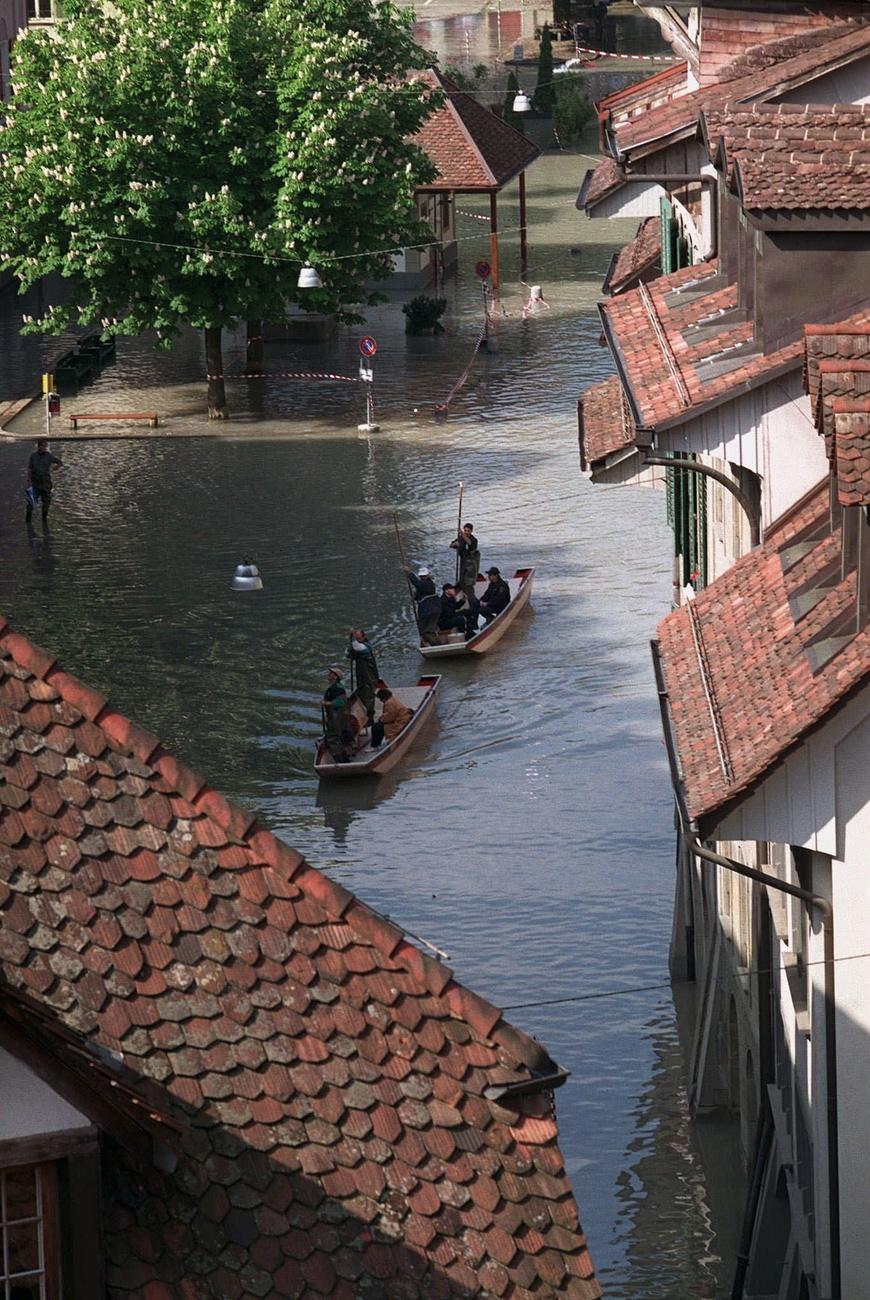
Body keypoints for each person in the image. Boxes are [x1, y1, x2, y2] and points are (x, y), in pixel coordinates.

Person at [26, 439, 62, 526]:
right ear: (39, 447)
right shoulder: (33, 456)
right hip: (35, 483)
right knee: (30, 505)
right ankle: (28, 522)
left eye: (46, 446)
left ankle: (44, 521)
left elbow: (59, 462)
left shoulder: (48, 456)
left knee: (46, 504)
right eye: (44, 446)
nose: (45, 448)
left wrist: (57, 467)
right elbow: (30, 469)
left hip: (46, 483)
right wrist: (29, 480)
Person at [346, 629, 379, 724]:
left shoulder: (366, 647)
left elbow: (357, 647)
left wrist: (352, 639)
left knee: (368, 694)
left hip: (369, 677)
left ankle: (370, 718)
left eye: (358, 637)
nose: (357, 639)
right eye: (356, 637)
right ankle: (363, 715)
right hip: (361, 677)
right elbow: (347, 654)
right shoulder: (356, 647)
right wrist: (350, 649)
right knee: (361, 693)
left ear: (363, 637)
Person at [403, 565, 442, 647]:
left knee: (426, 631)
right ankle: (434, 641)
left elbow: (417, 584)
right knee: (430, 628)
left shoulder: (428, 583)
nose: (423, 577)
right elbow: (420, 593)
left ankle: (436, 645)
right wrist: (415, 597)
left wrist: (409, 573)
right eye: (422, 576)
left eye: (424, 576)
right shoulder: (425, 585)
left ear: (428, 575)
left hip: (429, 610)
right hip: (433, 608)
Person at [322, 666, 353, 762]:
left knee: (332, 737)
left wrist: (328, 703)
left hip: (337, 716)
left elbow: (341, 702)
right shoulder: (333, 687)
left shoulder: (338, 688)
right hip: (334, 715)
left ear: (335, 677)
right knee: (336, 735)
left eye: (331, 673)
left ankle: (341, 760)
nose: (328, 675)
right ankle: (344, 757)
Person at [450, 522, 481, 606]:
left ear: (471, 531)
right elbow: (451, 545)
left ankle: (473, 603)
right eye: (465, 530)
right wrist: (455, 544)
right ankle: (465, 598)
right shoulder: (461, 538)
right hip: (463, 563)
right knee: (462, 582)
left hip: (471, 564)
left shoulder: (474, 540)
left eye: (468, 531)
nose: (466, 532)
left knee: (468, 584)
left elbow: (469, 543)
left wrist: (462, 534)